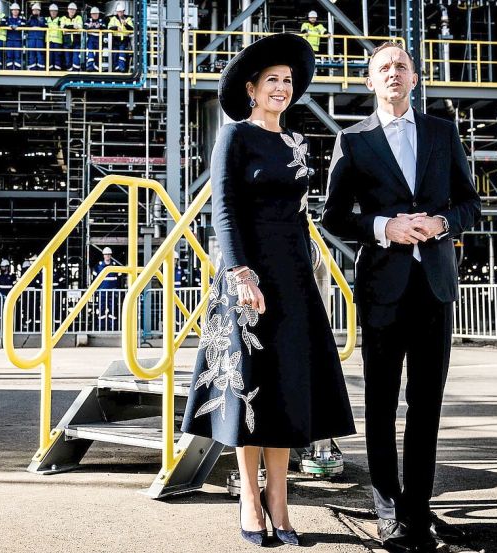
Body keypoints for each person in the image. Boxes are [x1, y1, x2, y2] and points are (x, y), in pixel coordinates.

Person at [181, 33, 354, 547]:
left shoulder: (297, 142)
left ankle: (280, 500)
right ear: (252, 89)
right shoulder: (234, 136)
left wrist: (308, 275)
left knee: (285, 392)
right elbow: (225, 211)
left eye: (288, 80)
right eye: (272, 81)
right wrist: (240, 274)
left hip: (294, 279)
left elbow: (301, 215)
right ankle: (249, 501)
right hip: (247, 279)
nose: (283, 87)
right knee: (247, 390)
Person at [321, 41, 481, 551]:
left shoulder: (441, 133)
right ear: (370, 82)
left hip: (434, 286)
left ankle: (418, 506)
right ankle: (387, 506)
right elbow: (334, 216)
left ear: (415, 77)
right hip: (383, 288)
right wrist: (384, 226)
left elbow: (472, 205)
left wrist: (440, 222)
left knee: (427, 403)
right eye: (383, 67)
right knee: (382, 402)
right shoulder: (354, 140)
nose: (393, 73)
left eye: (401, 66)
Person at [92, 246, 122, 331]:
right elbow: (94, 279)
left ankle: (112, 327)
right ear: (103, 255)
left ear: (111, 255)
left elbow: (119, 280)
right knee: (101, 309)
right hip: (102, 291)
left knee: (113, 309)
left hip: (113, 291)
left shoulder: (115, 266)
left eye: (109, 254)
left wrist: (118, 290)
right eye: (106, 254)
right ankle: (101, 327)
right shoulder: (98, 266)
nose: (107, 256)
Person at [107, 3, 133, 72]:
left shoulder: (128, 19)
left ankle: (121, 68)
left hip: (124, 39)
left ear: (123, 12)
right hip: (115, 39)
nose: (120, 13)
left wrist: (126, 24)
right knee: (115, 54)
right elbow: (109, 27)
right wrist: (116, 27)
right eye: (119, 11)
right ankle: (116, 68)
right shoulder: (113, 19)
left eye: (121, 11)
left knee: (122, 54)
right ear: (117, 12)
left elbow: (132, 29)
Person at [60, 2, 83, 71]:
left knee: (76, 57)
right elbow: (62, 27)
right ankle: (69, 71)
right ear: (68, 10)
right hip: (67, 41)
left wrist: (68, 28)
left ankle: (75, 72)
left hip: (76, 40)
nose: (72, 11)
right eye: (70, 9)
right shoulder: (63, 18)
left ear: (76, 10)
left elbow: (79, 26)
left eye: (73, 9)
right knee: (68, 58)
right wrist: (73, 26)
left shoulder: (78, 17)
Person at [4, 3, 26, 70]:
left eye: (16, 10)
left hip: (18, 40)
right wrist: (9, 26)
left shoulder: (22, 19)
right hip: (9, 40)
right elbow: (3, 25)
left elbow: (25, 25)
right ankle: (9, 70)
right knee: (9, 56)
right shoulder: (8, 19)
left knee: (17, 56)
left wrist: (18, 26)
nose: (15, 11)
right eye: (14, 10)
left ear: (18, 11)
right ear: (11, 11)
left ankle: (17, 70)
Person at [26, 3, 46, 70]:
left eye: (37, 10)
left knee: (40, 54)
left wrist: (38, 19)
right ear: (32, 11)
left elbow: (45, 26)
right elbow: (26, 26)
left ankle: (41, 69)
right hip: (31, 38)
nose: (36, 12)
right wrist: (30, 19)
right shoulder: (30, 19)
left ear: (39, 11)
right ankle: (32, 68)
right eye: (34, 10)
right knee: (32, 54)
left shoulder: (42, 19)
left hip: (39, 39)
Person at [84, 6, 104, 71]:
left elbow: (104, 27)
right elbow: (84, 27)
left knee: (99, 53)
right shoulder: (88, 20)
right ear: (91, 14)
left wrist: (100, 26)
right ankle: (90, 67)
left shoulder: (101, 20)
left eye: (96, 14)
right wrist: (89, 26)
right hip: (91, 39)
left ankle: (97, 68)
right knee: (90, 52)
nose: (95, 15)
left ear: (98, 14)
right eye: (93, 14)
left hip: (99, 39)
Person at [45, 4, 62, 70]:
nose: (53, 12)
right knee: (49, 56)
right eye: (52, 11)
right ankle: (49, 69)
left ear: (57, 12)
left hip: (57, 41)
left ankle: (57, 69)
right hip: (48, 41)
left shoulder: (60, 20)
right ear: (49, 12)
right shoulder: (46, 19)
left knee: (57, 56)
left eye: (55, 11)